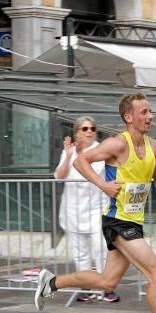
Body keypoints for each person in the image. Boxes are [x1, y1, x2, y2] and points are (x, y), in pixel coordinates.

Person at [35, 93, 156, 313]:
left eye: (151, 111)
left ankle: (51, 283)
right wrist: (103, 185)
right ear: (128, 117)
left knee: (107, 283)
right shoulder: (116, 144)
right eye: (144, 112)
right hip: (117, 220)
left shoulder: (154, 146)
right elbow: (80, 161)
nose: (150, 116)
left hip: (134, 221)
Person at [54, 116, 119, 302]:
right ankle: (86, 287)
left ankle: (105, 287)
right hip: (72, 209)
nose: (89, 131)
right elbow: (59, 176)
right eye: (84, 129)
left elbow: (94, 172)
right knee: (80, 251)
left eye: (92, 128)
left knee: (100, 248)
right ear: (76, 132)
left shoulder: (99, 150)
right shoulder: (70, 151)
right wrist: (68, 155)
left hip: (95, 208)